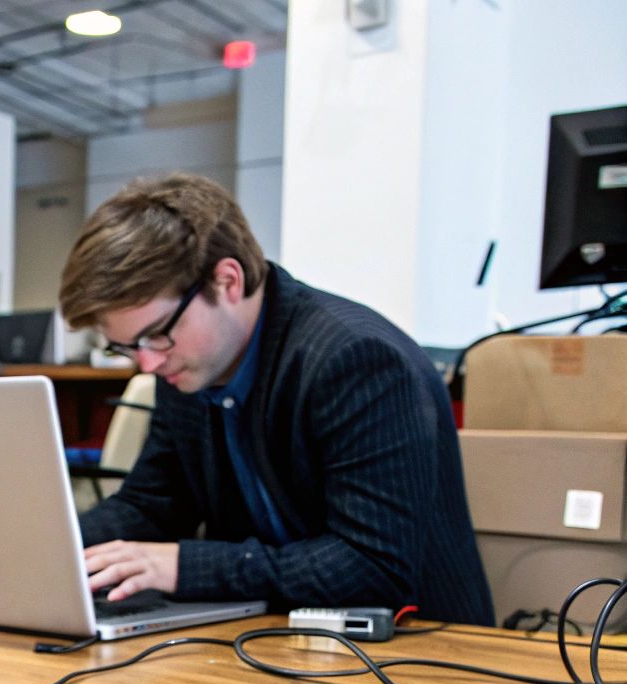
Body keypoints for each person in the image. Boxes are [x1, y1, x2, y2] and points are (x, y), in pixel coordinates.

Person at [61, 173, 492, 625]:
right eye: (127, 347)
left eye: (157, 334)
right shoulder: (189, 366)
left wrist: (184, 567)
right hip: (269, 639)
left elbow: (371, 567)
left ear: (227, 280)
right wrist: (51, 547)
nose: (147, 364)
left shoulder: (356, 359)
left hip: (421, 654)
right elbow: (151, 506)